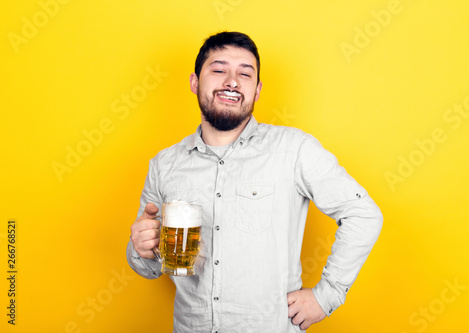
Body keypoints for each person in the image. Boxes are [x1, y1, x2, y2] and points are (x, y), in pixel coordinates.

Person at [126, 31, 383, 332]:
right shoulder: (164, 165)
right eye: (219, 69)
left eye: (244, 74)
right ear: (195, 82)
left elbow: (363, 214)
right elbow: (150, 268)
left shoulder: (294, 149)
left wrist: (326, 296)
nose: (232, 81)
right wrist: (140, 250)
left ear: (257, 90)